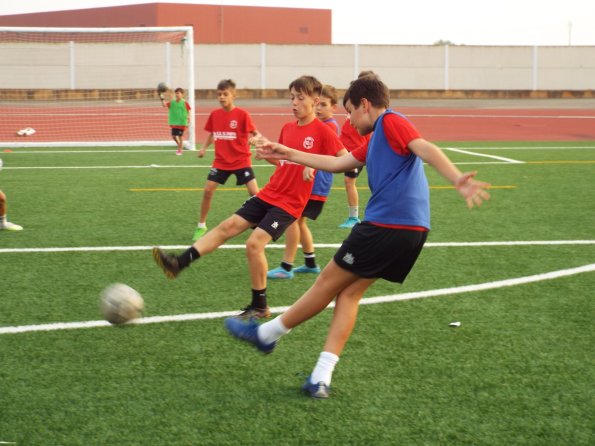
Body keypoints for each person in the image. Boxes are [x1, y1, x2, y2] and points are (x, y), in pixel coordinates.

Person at [225, 75, 491, 399]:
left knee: (326, 284)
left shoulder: (391, 122)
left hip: (385, 226)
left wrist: (456, 178)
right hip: (412, 233)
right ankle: (321, 377)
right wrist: (287, 152)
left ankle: (268, 333)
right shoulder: (375, 138)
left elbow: (424, 147)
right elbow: (338, 163)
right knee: (349, 295)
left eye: (349, 110)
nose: (347, 119)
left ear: (365, 105)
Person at [152, 75, 345, 320]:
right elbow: (285, 162)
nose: (294, 102)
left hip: (290, 203)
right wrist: (268, 154)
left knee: (254, 243)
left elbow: (344, 160)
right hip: (270, 193)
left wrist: (314, 165)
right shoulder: (288, 128)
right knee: (227, 226)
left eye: (300, 98)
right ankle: (178, 263)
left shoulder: (323, 131)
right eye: (292, 98)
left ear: (315, 101)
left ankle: (260, 305)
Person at [268, 84, 347, 279]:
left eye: (324, 105)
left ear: (332, 107)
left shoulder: (328, 126)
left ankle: (286, 266)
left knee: (292, 220)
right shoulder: (305, 127)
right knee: (299, 222)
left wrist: (310, 166)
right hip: (307, 185)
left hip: (314, 185)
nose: (319, 109)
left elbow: (335, 154)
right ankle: (310, 262)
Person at [192, 79, 261, 241]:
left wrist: (255, 139)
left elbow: (257, 133)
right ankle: (201, 226)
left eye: (225, 94)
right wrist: (203, 148)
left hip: (241, 161)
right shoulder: (215, 115)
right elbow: (212, 134)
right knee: (208, 191)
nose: (222, 97)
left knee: (255, 194)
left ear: (233, 95)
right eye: (219, 94)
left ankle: (260, 222)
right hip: (221, 162)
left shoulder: (242, 115)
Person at [338, 70, 376, 229]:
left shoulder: (369, 110)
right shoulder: (355, 104)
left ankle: (354, 218)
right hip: (347, 150)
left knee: (350, 181)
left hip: (357, 152)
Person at [160, 87, 191, 156]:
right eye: (176, 93)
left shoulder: (185, 103)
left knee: (180, 136)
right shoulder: (172, 102)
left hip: (182, 123)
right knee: (174, 136)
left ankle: (180, 150)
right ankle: (180, 145)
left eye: (178, 93)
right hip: (174, 123)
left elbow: (189, 111)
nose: (177, 95)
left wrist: (189, 120)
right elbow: (164, 105)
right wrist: (162, 98)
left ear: (182, 94)